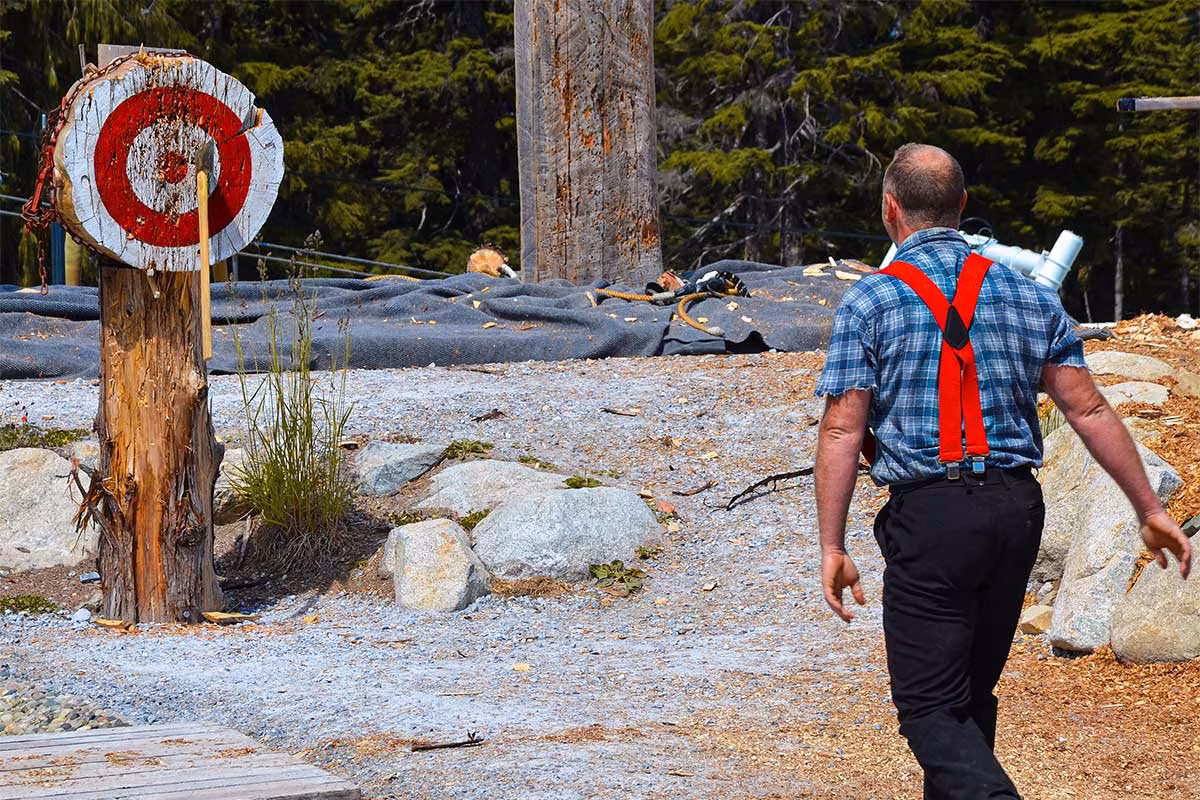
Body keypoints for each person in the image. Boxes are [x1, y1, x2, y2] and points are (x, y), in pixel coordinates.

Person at [813, 142, 1192, 799]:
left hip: (933, 518)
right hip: (1017, 511)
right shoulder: (1026, 295)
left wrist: (830, 545)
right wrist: (1150, 509)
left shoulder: (869, 303)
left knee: (930, 709)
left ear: (889, 210)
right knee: (966, 699)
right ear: (963, 207)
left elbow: (844, 428)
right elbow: (1089, 408)